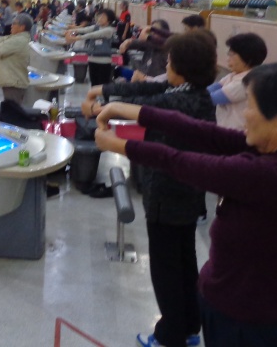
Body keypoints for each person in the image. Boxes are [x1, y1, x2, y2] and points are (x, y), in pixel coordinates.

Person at [94, 61, 277, 347]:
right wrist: (121, 108)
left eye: (251, 107)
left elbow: (180, 162)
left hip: (247, 324)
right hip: (226, 305)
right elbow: (199, 131)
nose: (245, 114)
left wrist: (118, 144)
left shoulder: (274, 174)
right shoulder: (273, 151)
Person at [84, 31, 217, 347]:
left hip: (168, 194)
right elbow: (145, 88)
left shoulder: (180, 100)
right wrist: (102, 90)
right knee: (184, 261)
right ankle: (189, 327)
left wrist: (103, 108)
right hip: (187, 193)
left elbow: (145, 105)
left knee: (166, 267)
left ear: (182, 67)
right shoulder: (193, 93)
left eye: (169, 62)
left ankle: (170, 335)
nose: (165, 66)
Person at [208, 33, 267, 130]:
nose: (228, 58)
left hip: (236, 132)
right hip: (224, 128)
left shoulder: (246, 82)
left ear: (247, 58)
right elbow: (211, 88)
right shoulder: (233, 75)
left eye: (232, 54)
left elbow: (212, 98)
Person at [65, 9, 117, 86]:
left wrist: (77, 38)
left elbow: (94, 35)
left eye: (103, 17)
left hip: (104, 61)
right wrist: (72, 31)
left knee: (103, 85)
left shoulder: (109, 30)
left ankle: (103, 95)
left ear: (109, 20)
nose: (100, 18)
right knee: (93, 83)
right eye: (99, 16)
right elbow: (84, 30)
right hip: (92, 59)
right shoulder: (96, 27)